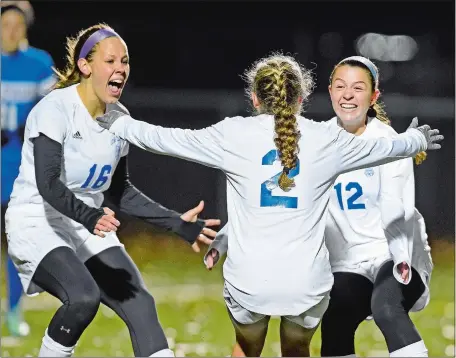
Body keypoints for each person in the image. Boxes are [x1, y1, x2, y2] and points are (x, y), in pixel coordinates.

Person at [96, 53, 443, 357]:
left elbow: (165, 140)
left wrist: (119, 122)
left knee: (247, 347)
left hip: (250, 284)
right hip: (306, 287)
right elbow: (385, 148)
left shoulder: (231, 133)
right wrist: (417, 139)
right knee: (297, 346)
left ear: (255, 98)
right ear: (303, 97)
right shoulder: (328, 139)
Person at [5, 23, 219, 357]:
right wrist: (90, 216)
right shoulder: (54, 109)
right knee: (83, 297)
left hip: (86, 222)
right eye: (110, 60)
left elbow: (120, 192)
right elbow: (48, 185)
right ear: (85, 66)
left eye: (125, 61)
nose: (120, 68)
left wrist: (178, 224)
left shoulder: (119, 117)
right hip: (37, 220)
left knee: (140, 303)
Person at [203, 56, 435, 357]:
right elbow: (278, 204)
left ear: (374, 96)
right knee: (335, 318)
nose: (347, 95)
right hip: (348, 266)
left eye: (358, 87)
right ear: (329, 91)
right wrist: (224, 239)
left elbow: (396, 208)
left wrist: (402, 255)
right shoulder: (316, 138)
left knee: (386, 308)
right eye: (340, 86)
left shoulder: (387, 141)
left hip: (394, 258)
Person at [1, 1, 56, 337]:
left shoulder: (39, 63)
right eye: (5, 23)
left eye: (17, 24)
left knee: (17, 243)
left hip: (19, 170)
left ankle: (12, 310)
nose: (11, 31)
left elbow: (53, 110)